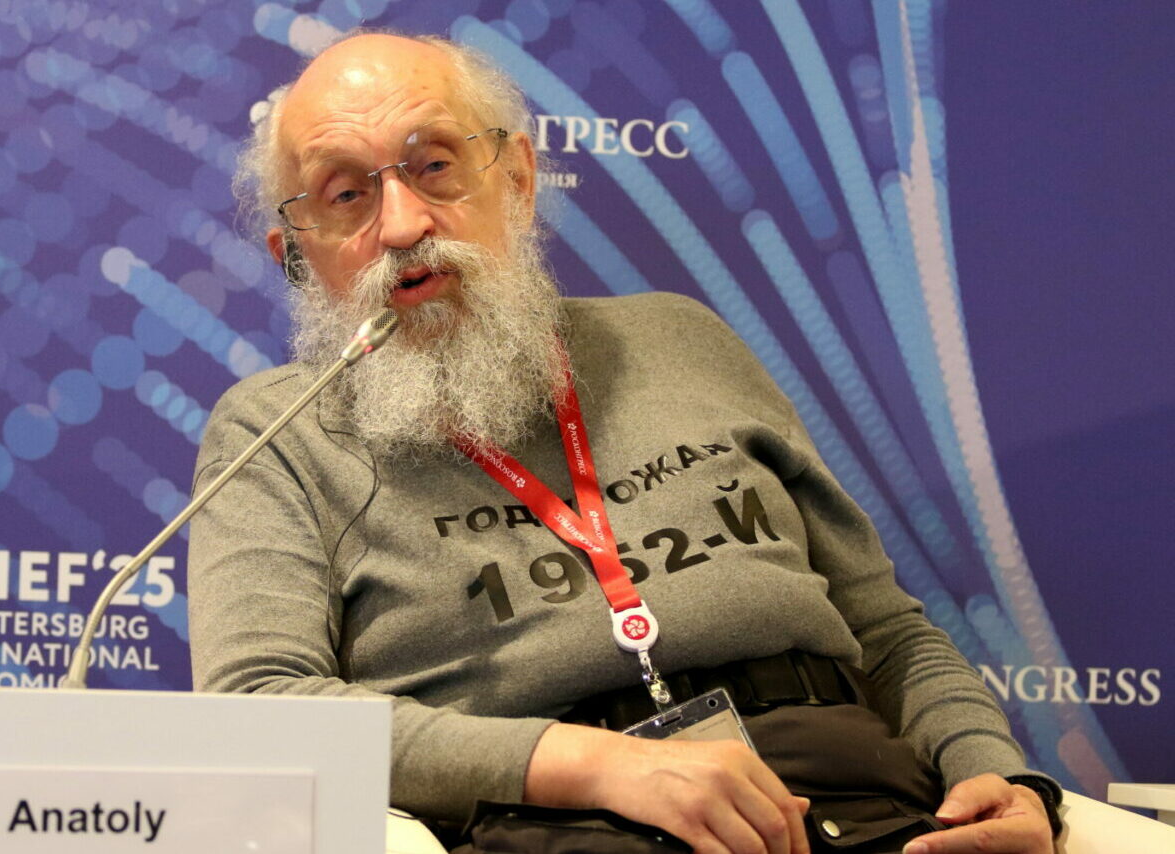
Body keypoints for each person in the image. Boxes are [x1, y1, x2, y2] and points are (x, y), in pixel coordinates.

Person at [189, 31, 1059, 854]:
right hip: (560, 825)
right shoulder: (279, 433)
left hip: (865, 805)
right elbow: (261, 711)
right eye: (346, 194)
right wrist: (594, 766)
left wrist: (994, 772)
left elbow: (886, 630)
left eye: (435, 166)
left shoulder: (682, 337)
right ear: (295, 253)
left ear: (518, 177)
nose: (404, 224)